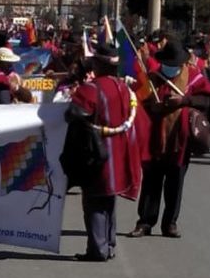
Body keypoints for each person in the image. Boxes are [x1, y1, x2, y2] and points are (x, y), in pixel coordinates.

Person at [63, 45, 147, 261]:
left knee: (94, 201)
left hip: (97, 151)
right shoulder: (124, 88)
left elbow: (74, 113)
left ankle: (98, 249)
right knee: (109, 199)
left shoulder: (91, 89)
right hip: (120, 150)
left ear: (98, 65)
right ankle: (108, 244)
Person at [129, 39, 210, 239]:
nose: (170, 68)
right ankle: (145, 222)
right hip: (153, 139)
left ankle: (170, 223)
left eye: (174, 65)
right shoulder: (151, 78)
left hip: (180, 140)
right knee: (151, 183)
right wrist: (152, 106)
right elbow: (138, 101)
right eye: (167, 64)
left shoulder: (194, 77)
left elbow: (206, 101)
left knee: (175, 184)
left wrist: (184, 101)